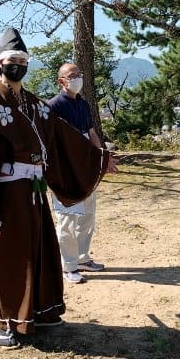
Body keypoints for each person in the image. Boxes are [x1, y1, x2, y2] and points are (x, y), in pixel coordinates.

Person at [0, 28, 111, 349]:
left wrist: (97, 157)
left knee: (39, 251)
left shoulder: (35, 104)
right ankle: (2, 323)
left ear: (27, 64)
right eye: (11, 60)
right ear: (1, 63)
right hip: (4, 197)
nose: (17, 65)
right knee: (6, 255)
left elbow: (62, 138)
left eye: (22, 60)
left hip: (33, 192)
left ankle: (39, 313)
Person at [48, 62, 118, 284]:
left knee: (88, 214)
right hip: (65, 169)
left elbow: (91, 132)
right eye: (72, 75)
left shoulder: (83, 104)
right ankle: (68, 266)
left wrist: (103, 158)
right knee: (67, 217)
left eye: (79, 73)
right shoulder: (53, 106)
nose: (78, 78)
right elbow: (50, 142)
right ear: (61, 81)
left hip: (86, 166)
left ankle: (82, 258)